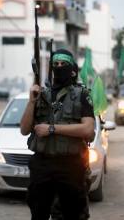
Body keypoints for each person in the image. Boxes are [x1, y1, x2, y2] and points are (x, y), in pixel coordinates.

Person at [20, 49, 95, 220]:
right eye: (55, 64)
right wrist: (31, 101)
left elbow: (88, 130)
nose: (59, 67)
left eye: (64, 64)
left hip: (71, 165)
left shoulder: (82, 95)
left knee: (73, 213)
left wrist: (52, 129)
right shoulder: (41, 95)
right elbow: (24, 129)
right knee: (38, 212)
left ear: (72, 69)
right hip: (43, 163)